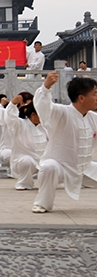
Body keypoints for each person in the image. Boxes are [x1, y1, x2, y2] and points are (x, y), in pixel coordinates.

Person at [31, 72, 97, 213]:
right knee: (48, 167)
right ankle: (42, 203)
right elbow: (44, 108)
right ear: (81, 98)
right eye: (95, 94)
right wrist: (46, 88)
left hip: (85, 168)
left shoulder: (94, 118)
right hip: (61, 167)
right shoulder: (61, 112)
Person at [2, 95, 47, 191]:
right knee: (26, 161)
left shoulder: (43, 127)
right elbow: (10, 119)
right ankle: (24, 183)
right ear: (33, 115)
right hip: (23, 162)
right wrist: (12, 104)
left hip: (42, 161)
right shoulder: (21, 124)